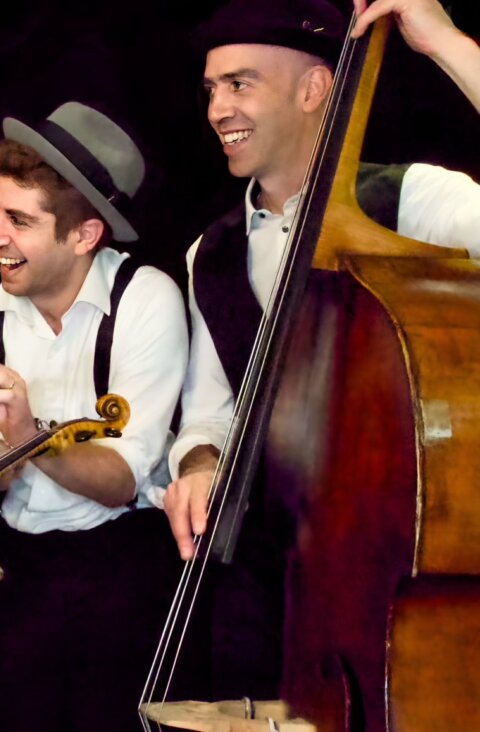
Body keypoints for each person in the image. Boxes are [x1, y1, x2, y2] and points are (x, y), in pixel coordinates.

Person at [162, 0, 480, 700]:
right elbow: (213, 412)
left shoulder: (416, 204)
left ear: (315, 90)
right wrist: (199, 464)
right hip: (261, 597)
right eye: (212, 89)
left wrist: (453, 47)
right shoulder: (207, 256)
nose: (218, 108)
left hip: (390, 588)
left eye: (241, 84)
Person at [0, 101, 190, 731]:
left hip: (123, 564)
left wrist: (26, 435)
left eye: (18, 220)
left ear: (84, 235)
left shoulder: (145, 300)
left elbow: (121, 480)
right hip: (9, 564)